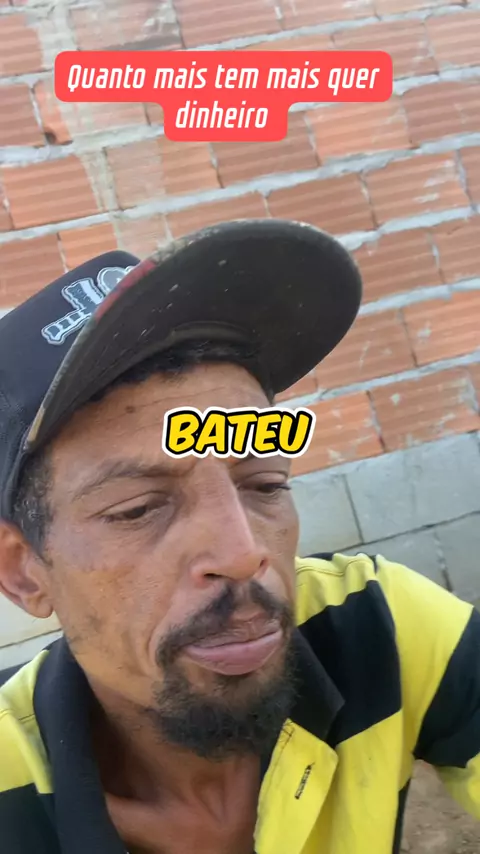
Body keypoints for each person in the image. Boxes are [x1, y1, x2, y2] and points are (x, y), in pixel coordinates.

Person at [0, 219, 478, 854]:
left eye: (265, 484)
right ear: (23, 571)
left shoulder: (371, 625)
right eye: (138, 508)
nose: (244, 552)